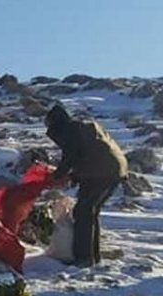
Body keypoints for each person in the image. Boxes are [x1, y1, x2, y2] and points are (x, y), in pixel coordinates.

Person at [45, 104, 127, 268]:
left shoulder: (70, 130)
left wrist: (57, 175)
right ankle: (92, 256)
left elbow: (72, 156)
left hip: (102, 172)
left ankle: (84, 258)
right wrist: (74, 176)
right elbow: (88, 154)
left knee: (83, 212)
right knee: (89, 211)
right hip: (112, 169)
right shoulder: (82, 128)